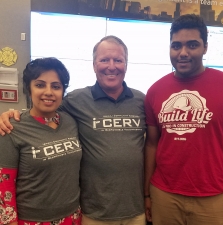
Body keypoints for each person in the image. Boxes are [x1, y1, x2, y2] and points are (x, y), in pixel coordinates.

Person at [0, 36, 146, 225]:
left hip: (116, 211)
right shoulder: (76, 100)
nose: (111, 66)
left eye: (118, 60)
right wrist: (11, 114)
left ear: (126, 64)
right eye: (104, 60)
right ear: (94, 65)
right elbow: (40, 111)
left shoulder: (141, 100)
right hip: (90, 213)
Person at [144, 14, 223, 225]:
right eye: (176, 46)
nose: (183, 53)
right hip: (164, 197)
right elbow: (151, 145)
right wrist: (146, 195)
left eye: (192, 45)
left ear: (205, 47)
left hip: (214, 199)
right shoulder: (154, 91)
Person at [0, 58, 82, 225]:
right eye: (40, 85)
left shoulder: (71, 122)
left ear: (63, 91)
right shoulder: (12, 128)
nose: (49, 92)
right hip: (32, 220)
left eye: (56, 86)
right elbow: (4, 185)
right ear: (29, 90)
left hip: (72, 216)